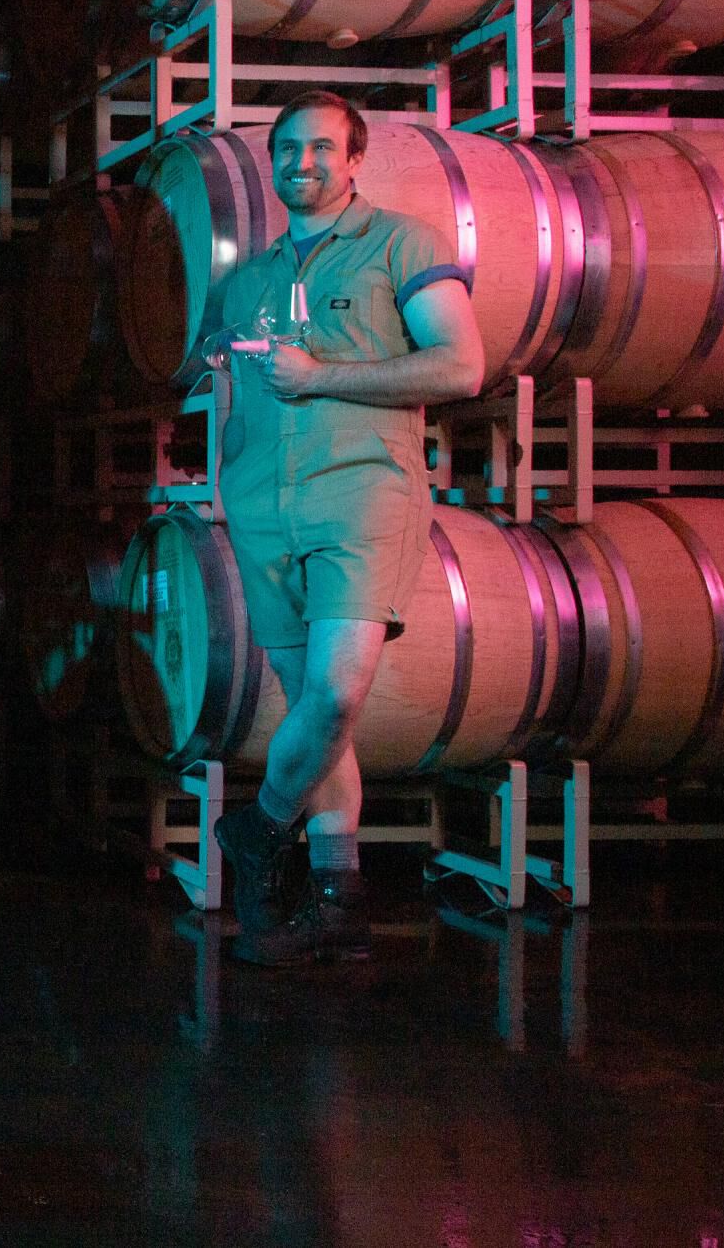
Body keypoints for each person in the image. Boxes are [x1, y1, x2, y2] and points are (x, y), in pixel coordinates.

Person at [205, 91, 485, 967]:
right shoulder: (246, 281)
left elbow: (461, 364)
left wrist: (323, 377)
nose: (303, 163)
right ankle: (336, 895)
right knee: (318, 719)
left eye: (324, 148)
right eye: (288, 149)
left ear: (356, 159)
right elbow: (226, 386)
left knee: (337, 692)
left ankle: (258, 832)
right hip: (262, 508)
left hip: (362, 495)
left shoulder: (404, 244)